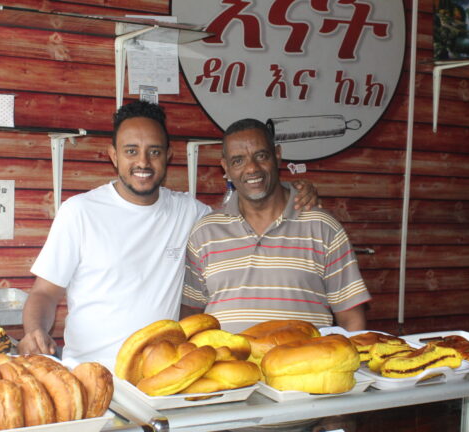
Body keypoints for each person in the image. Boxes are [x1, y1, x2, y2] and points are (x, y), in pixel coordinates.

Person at [18, 101, 320, 369]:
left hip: (162, 376)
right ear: (113, 155)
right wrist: (35, 332)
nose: (143, 163)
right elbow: (44, 293)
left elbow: (249, 210)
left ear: (168, 155)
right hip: (89, 372)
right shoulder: (80, 212)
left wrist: (297, 191)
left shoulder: (189, 213)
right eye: (131, 151)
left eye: (154, 152)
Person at [182, 118, 371, 334]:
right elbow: (191, 314)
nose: (252, 168)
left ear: (277, 155)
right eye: (238, 161)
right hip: (229, 365)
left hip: (303, 366)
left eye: (261, 156)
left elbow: (351, 317)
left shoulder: (322, 227)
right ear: (225, 167)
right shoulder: (205, 232)